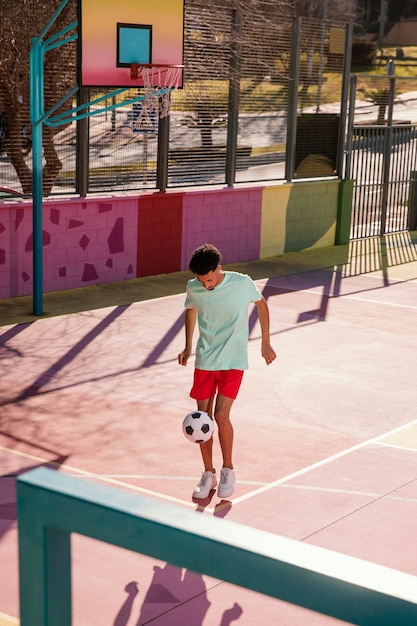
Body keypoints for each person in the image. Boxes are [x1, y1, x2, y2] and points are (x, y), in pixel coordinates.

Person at [178, 243, 276, 500]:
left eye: (209, 279)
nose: (206, 285)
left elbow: (262, 305)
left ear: (218, 269)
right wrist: (188, 346)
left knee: (221, 416)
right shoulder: (194, 287)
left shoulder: (241, 283)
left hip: (233, 361)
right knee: (204, 418)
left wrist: (265, 342)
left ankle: (228, 470)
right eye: (202, 281)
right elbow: (190, 310)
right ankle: (207, 473)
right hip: (205, 361)